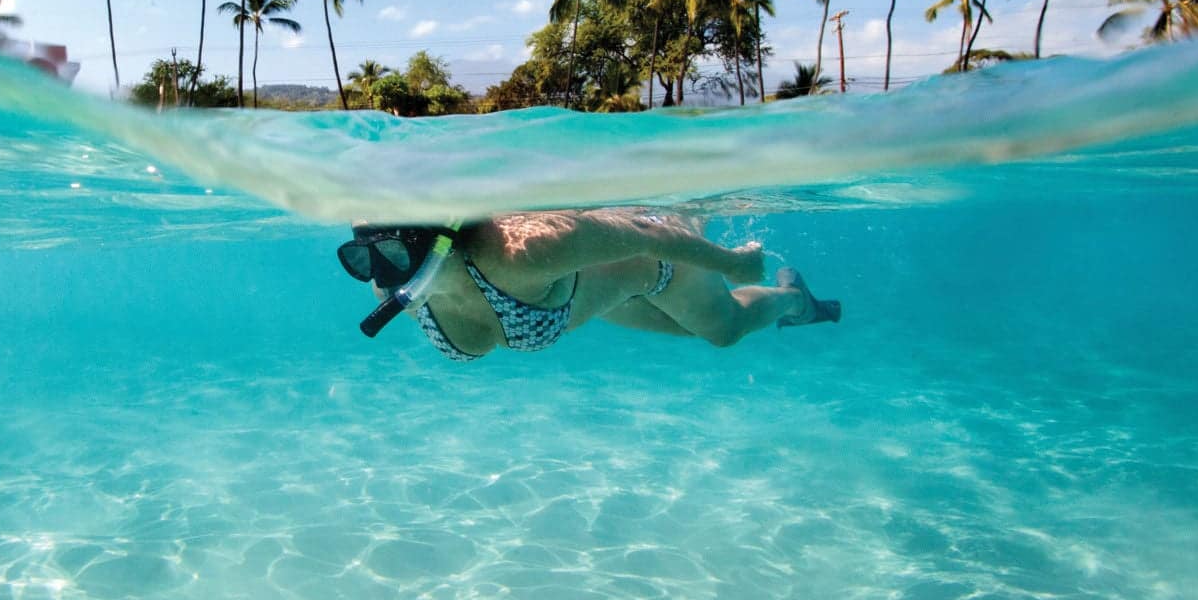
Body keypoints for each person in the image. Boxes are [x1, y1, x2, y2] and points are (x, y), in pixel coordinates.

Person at [337, 209, 839, 361]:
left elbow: (649, 236)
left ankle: (795, 299)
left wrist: (732, 264)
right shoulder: (390, 285)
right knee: (688, 331)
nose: (381, 275)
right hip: (590, 292)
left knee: (723, 330)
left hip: (656, 258)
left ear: (438, 241)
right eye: (361, 259)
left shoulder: (522, 253)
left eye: (397, 254)